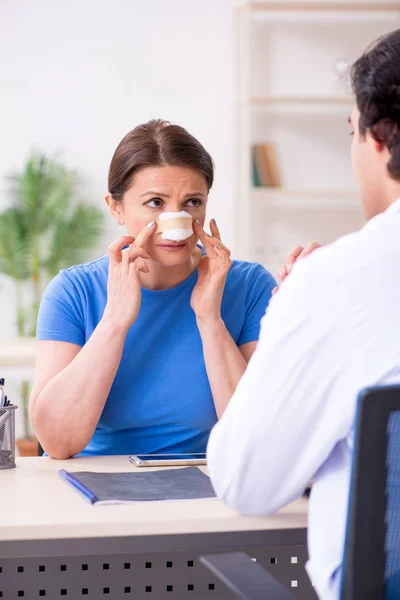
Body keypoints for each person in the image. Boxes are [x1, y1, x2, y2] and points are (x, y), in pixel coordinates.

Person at [207, 29, 400, 600]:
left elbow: (246, 481)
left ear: (380, 141)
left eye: (351, 133)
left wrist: (295, 308)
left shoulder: (337, 280)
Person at [29, 119, 276, 459]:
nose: (176, 221)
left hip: (204, 488)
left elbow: (259, 438)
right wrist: (115, 320)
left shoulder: (248, 287)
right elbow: (58, 442)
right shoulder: (73, 291)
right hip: (90, 490)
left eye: (192, 202)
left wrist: (210, 319)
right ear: (116, 207)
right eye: (156, 203)